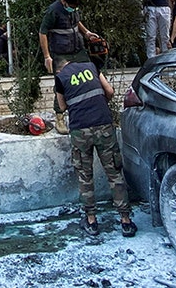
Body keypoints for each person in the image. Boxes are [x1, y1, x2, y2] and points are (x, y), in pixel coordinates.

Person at [54, 57, 136, 238]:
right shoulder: (90, 65)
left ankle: (91, 221)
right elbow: (109, 91)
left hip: (80, 130)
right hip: (104, 124)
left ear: (59, 70)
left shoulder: (61, 78)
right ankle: (125, 221)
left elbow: (61, 106)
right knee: (114, 172)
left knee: (85, 175)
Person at [40, 0, 100, 134]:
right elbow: (43, 33)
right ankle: (59, 117)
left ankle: (88, 112)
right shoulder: (53, 11)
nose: (73, 9)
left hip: (78, 49)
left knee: (89, 76)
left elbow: (76, 21)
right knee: (62, 83)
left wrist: (86, 33)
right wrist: (47, 56)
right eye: (71, 6)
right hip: (61, 52)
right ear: (63, 1)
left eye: (75, 7)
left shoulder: (73, 8)